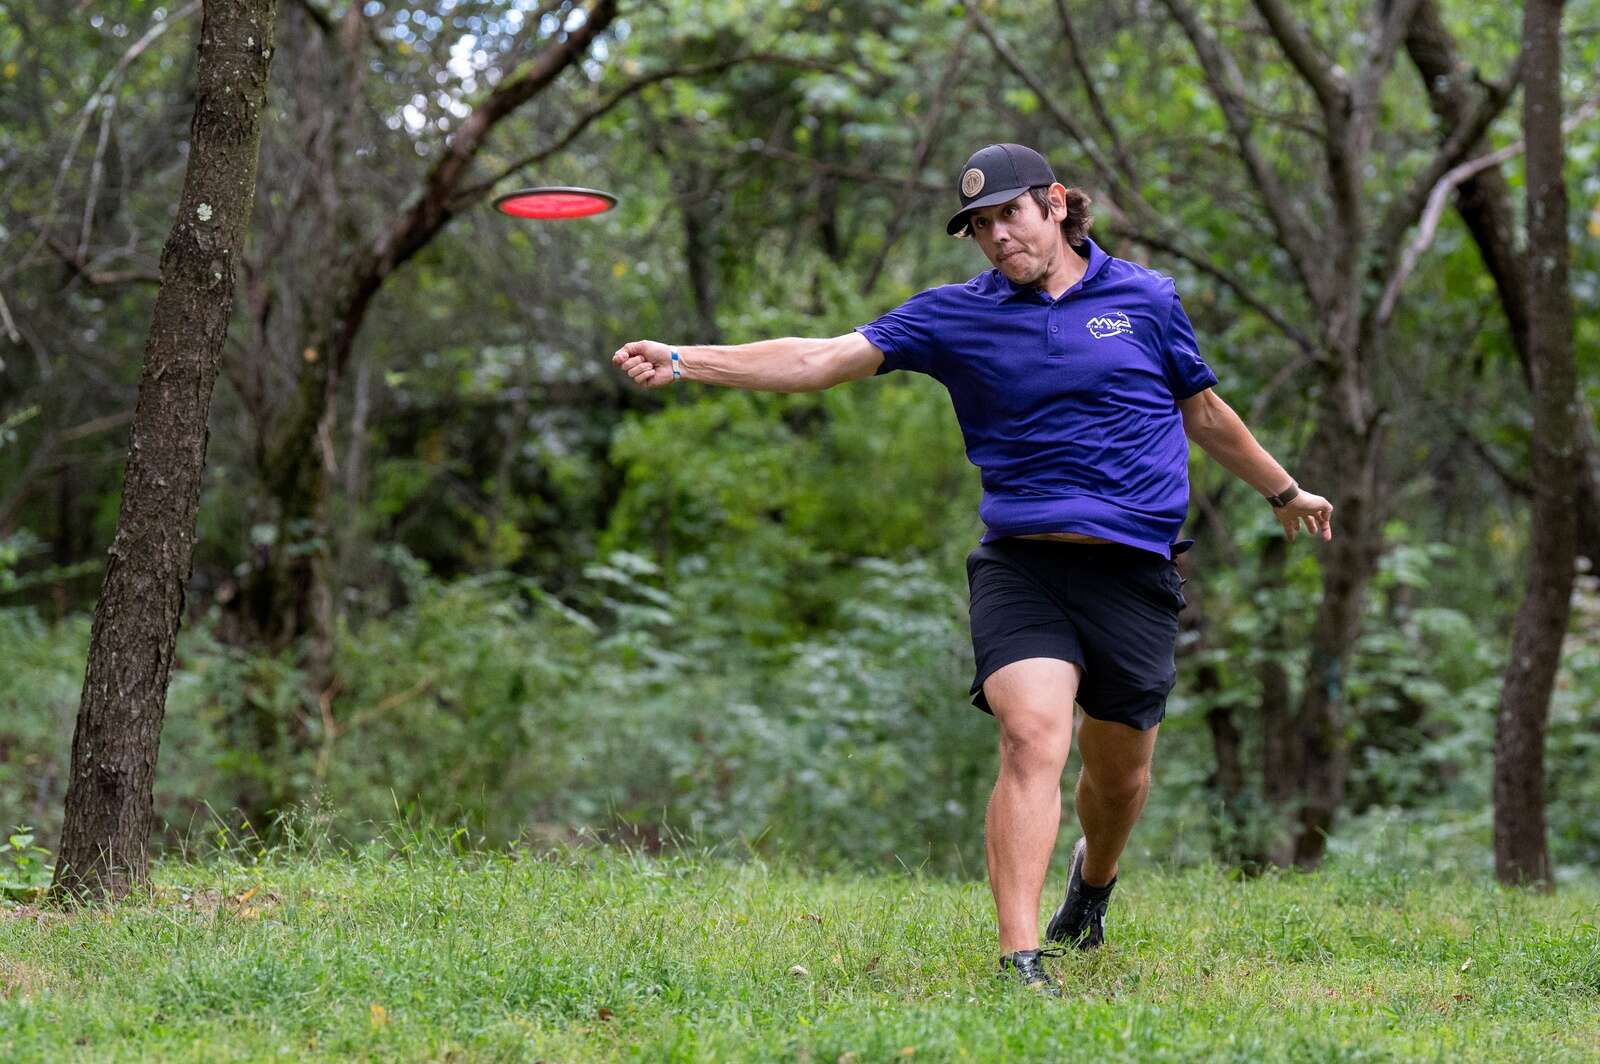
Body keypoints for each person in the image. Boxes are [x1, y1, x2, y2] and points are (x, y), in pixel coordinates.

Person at [611, 142, 1334, 995]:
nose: (997, 237)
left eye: (1009, 215)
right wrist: (688, 359)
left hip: (1134, 572)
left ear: (1055, 203)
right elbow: (820, 359)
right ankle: (1019, 959)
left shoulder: (1146, 299)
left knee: (1119, 779)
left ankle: (1092, 885)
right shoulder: (955, 316)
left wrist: (1283, 490)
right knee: (1032, 737)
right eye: (981, 226)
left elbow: (1203, 413)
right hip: (1022, 566)